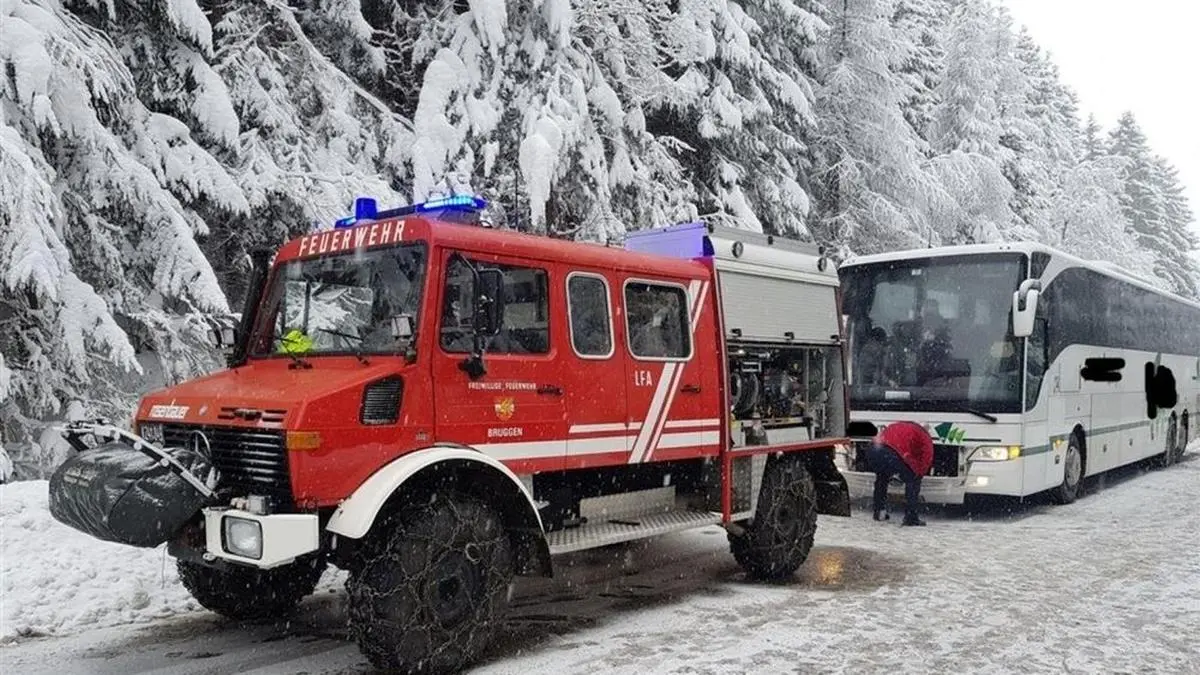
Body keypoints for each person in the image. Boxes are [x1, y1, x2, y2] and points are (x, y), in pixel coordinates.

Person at [868, 421, 934, 526]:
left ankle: (879, 511)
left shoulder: (896, 425)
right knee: (912, 480)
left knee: (882, 478)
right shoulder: (924, 435)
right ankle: (911, 517)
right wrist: (920, 473)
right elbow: (927, 457)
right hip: (892, 452)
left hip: (874, 450)